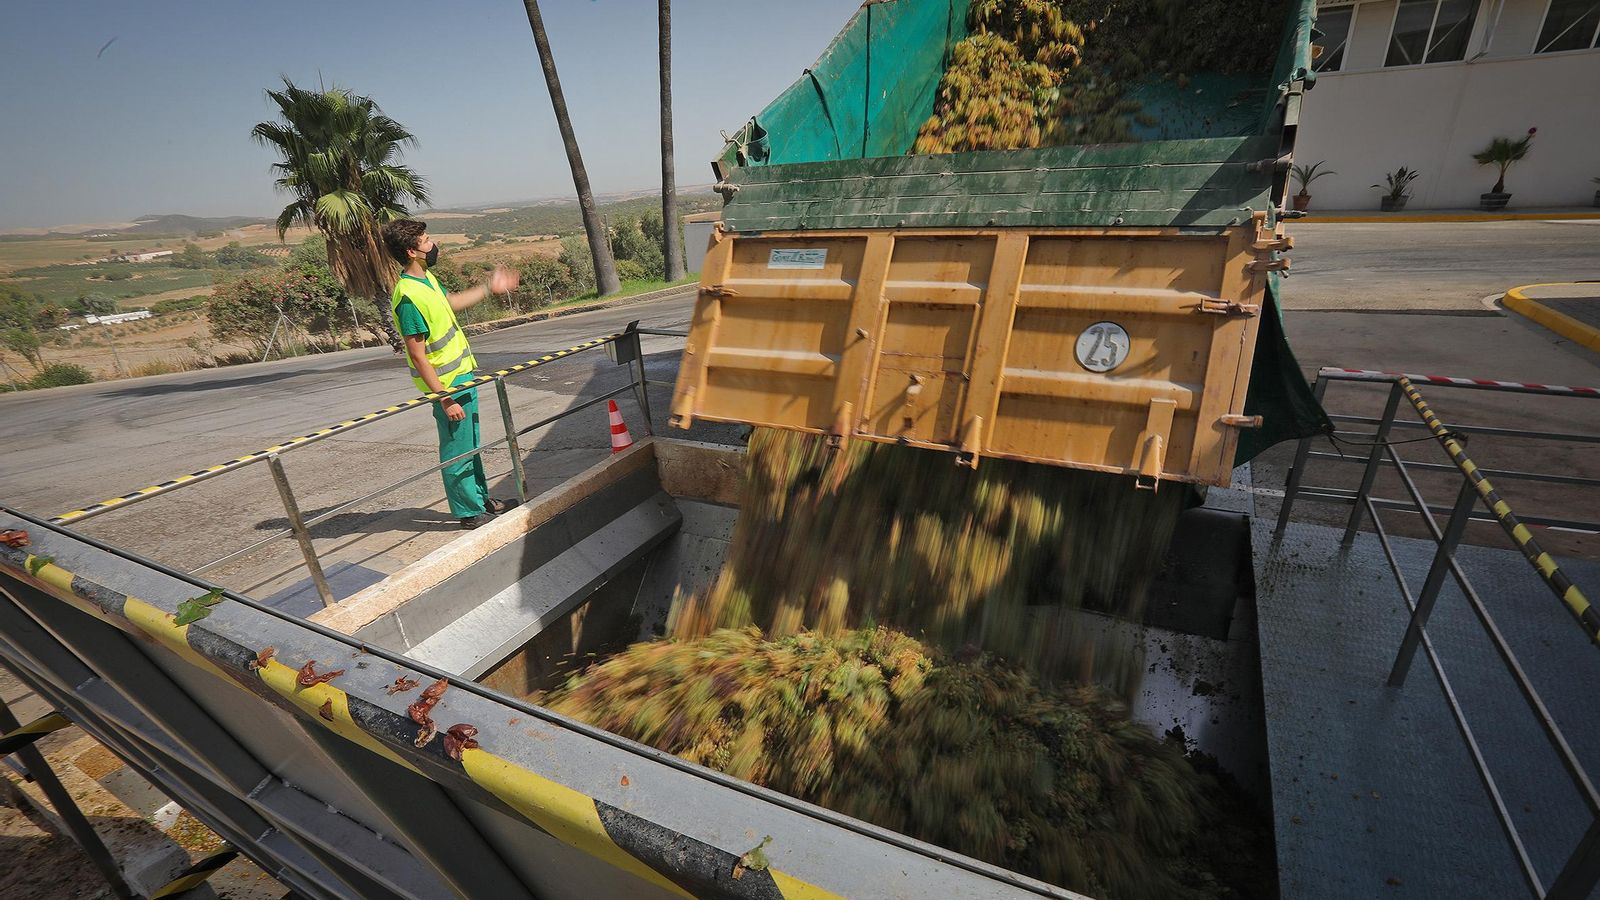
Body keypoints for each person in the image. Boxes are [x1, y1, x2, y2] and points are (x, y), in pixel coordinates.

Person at [380, 218, 521, 529]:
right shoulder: (407, 297)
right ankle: (468, 513)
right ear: (411, 251)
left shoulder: (426, 281)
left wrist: (488, 288)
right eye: (427, 241)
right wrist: (444, 398)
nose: (433, 245)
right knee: (457, 449)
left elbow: (452, 302)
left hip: (461, 377)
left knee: (470, 444)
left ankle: (481, 500)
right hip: (447, 386)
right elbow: (417, 354)